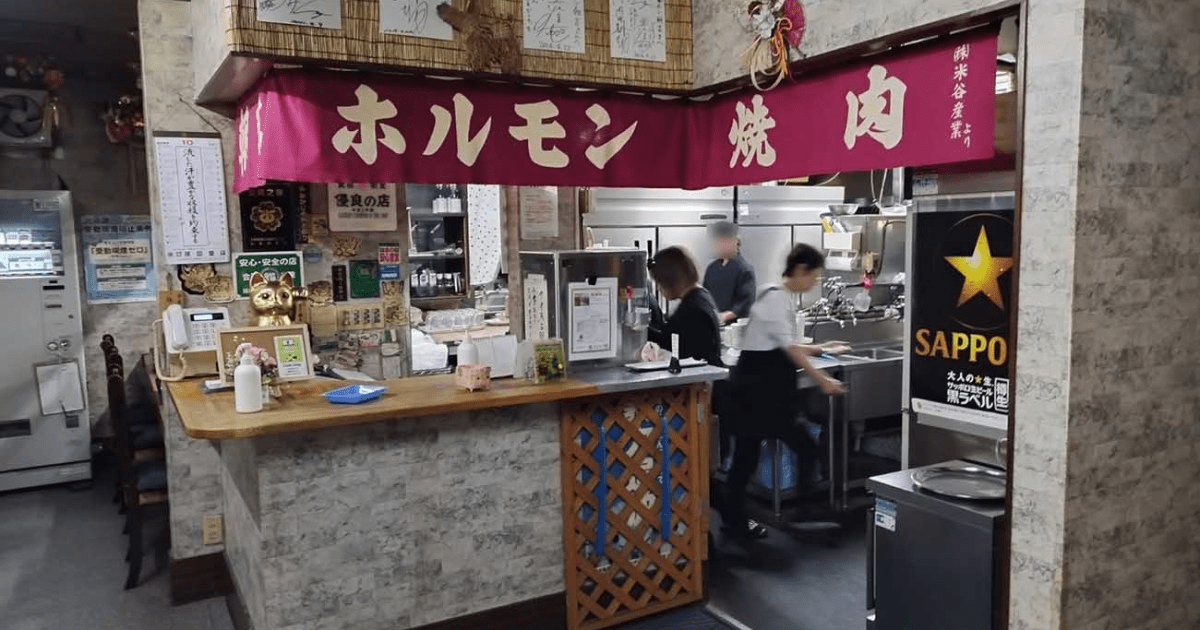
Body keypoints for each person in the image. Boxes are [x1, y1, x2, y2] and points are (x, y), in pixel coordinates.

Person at [718, 243, 846, 540]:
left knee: (745, 462)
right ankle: (801, 513)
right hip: (759, 398)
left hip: (756, 395)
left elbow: (783, 342)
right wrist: (823, 379)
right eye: (813, 277)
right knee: (803, 447)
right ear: (800, 270)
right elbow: (789, 349)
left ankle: (733, 521)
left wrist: (819, 348)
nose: (814, 283)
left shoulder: (775, 294)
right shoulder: (777, 299)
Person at [646, 246, 722, 366]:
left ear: (670, 280)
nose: (658, 288)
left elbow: (669, 341)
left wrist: (641, 331)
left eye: (659, 282)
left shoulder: (691, 308)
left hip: (703, 376)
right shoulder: (700, 296)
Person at [702, 221, 756, 325]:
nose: (722, 245)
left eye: (726, 241)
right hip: (712, 323)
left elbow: (746, 301)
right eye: (719, 241)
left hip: (734, 327)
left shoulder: (744, 269)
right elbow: (705, 295)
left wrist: (725, 316)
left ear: (736, 242)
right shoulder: (712, 268)